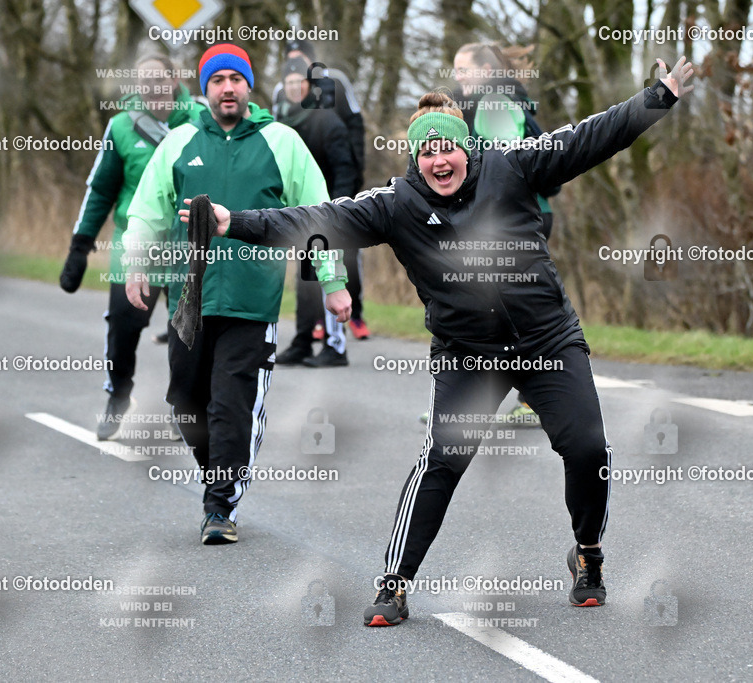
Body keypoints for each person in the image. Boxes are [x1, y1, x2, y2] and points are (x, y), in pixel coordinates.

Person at [179, 57, 695, 623]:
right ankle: (394, 583)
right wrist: (233, 222)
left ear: (465, 149)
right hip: (468, 355)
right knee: (442, 461)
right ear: (414, 157)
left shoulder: (512, 167)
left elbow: (594, 138)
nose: (437, 161)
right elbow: (310, 218)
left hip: (547, 341)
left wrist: (659, 95)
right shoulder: (396, 205)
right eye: (426, 153)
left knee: (588, 450)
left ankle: (588, 555)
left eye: (446, 149)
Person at [122, 44, 350, 545]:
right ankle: (217, 475)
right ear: (205, 90)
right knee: (185, 398)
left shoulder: (281, 141)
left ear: (249, 87)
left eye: (236, 79)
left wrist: (332, 282)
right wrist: (135, 262)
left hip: (252, 301)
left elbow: (319, 217)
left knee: (231, 403)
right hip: (190, 298)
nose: (228, 87)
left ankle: (220, 504)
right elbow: (146, 212)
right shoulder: (179, 140)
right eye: (218, 79)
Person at [60, 54, 205, 441]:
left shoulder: (200, 121)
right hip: (135, 245)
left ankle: (182, 406)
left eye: (159, 80)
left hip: (187, 245)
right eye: (145, 82)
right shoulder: (121, 127)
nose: (153, 89)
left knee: (185, 329)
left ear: (174, 81)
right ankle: (118, 394)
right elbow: (102, 189)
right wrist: (80, 246)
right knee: (123, 326)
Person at [452, 42, 561, 428]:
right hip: (510, 220)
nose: (458, 77)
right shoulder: (493, 99)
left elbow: (510, 168)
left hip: (512, 221)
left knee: (509, 309)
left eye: (464, 69)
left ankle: (534, 398)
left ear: (485, 70)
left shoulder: (494, 103)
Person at [273, 38, 370, 340]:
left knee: (345, 251)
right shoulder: (281, 92)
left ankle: (354, 313)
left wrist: (353, 179)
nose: (296, 64)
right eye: (291, 59)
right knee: (308, 254)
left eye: (301, 59)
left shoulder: (337, 83)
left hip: (340, 177)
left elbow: (354, 125)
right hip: (303, 185)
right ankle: (315, 323)